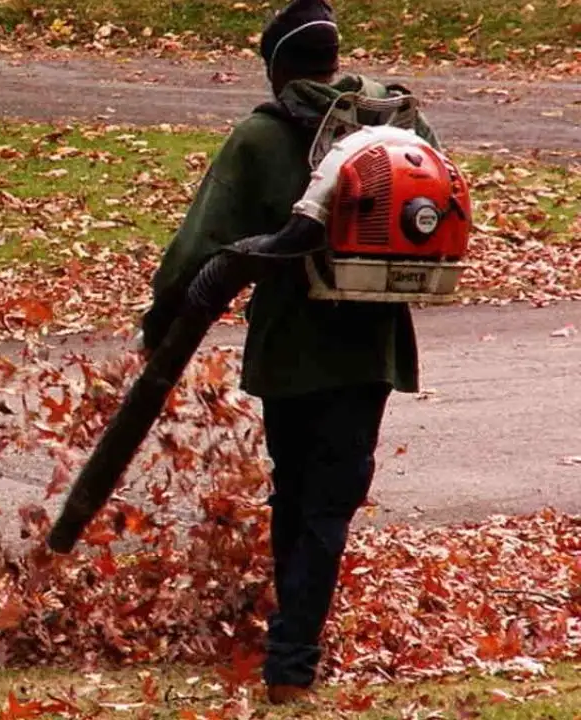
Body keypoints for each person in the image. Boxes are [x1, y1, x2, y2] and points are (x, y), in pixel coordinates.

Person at [141, 0, 442, 705]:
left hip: (291, 345)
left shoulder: (261, 134)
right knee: (328, 504)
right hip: (372, 342)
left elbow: (199, 243)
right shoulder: (398, 124)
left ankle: (290, 664)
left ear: (277, 67)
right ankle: (292, 659)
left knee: (297, 493)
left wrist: (164, 316)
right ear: (333, 61)